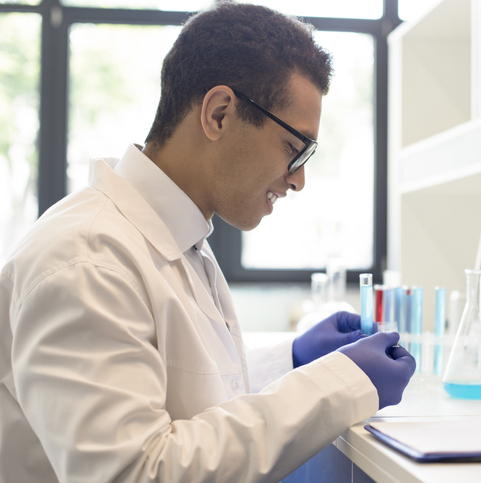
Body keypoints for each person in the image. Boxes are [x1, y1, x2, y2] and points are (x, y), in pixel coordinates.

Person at [0, 3, 415, 482]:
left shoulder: (176, 239)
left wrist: (293, 359)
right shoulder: (85, 259)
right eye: (293, 148)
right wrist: (339, 384)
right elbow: (135, 471)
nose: (299, 180)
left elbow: (184, 397)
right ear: (219, 114)